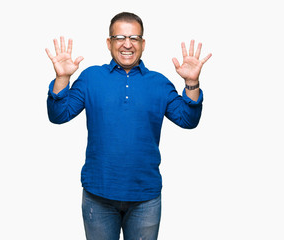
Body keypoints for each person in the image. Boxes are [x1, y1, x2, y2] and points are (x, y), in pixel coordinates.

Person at [46, 12, 211, 240]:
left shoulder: (159, 83)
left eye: (134, 38)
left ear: (143, 44)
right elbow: (58, 115)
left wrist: (192, 83)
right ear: (109, 43)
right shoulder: (91, 77)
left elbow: (188, 120)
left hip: (145, 198)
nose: (127, 44)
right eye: (119, 37)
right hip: (98, 194)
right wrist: (62, 78)